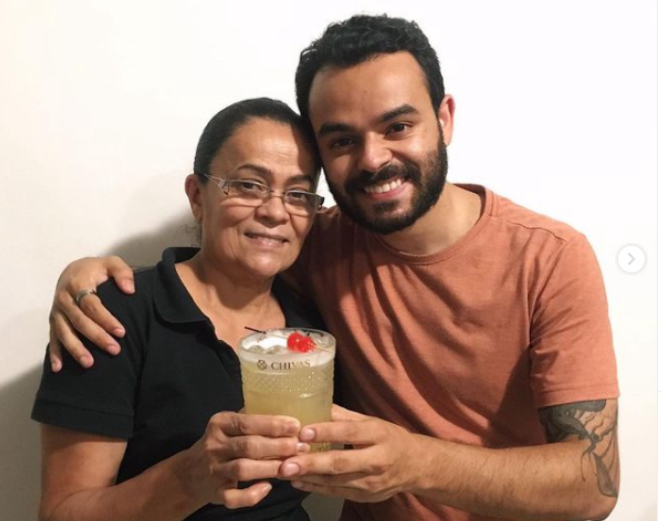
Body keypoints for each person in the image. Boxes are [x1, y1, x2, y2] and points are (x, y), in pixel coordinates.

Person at [45, 15, 619, 521]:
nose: (373, 159)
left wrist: (415, 464)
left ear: (444, 119)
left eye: (398, 126)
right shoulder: (311, 241)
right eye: (343, 140)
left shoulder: (550, 257)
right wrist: (85, 275)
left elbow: (594, 486)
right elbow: (227, 258)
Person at [32, 98, 328, 521]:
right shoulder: (112, 316)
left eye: (297, 194)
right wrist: (187, 479)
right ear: (197, 196)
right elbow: (62, 512)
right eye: (248, 185)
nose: (275, 211)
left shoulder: (311, 329)